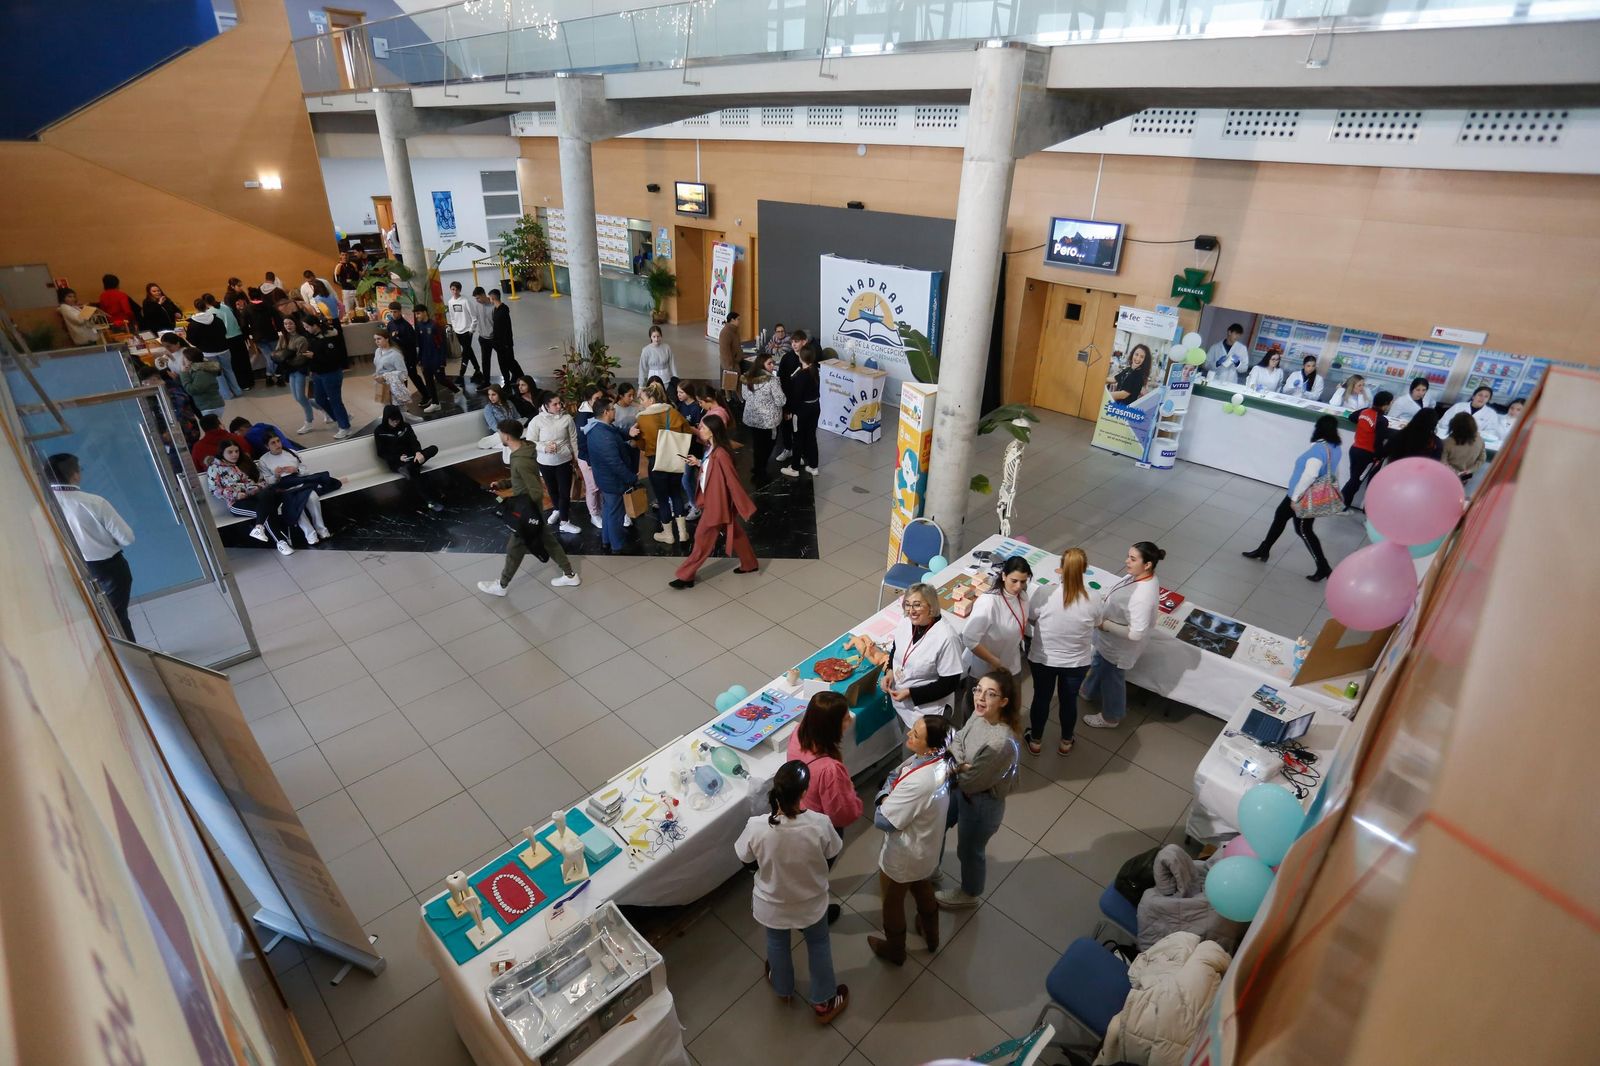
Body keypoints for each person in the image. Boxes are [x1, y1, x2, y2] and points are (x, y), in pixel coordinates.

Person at [733, 761, 849, 1023]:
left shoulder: (757, 826)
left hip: (771, 904)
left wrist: (763, 875)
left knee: (777, 944)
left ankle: (783, 988)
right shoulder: (820, 824)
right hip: (811, 903)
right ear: (805, 791)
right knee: (818, 944)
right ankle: (824, 1001)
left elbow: (745, 860)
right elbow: (832, 855)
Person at [868, 714, 953, 965]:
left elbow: (883, 820)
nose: (908, 735)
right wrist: (891, 784)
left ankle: (895, 949)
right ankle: (932, 935)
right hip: (926, 847)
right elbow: (898, 772)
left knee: (892, 902)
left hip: (906, 853)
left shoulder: (919, 782)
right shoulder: (940, 760)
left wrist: (883, 795)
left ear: (934, 746)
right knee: (921, 884)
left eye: (915, 735)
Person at [938, 669, 1022, 909]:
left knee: (969, 851)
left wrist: (958, 764)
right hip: (959, 789)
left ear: (1004, 702)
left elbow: (970, 782)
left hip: (981, 804)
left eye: (991, 694)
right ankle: (931, 867)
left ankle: (969, 893)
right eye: (978, 690)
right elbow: (957, 738)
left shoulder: (1000, 743)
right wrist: (963, 763)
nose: (981, 698)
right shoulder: (979, 713)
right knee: (939, 824)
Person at [478, 418, 582, 595]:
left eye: (500, 433)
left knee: (514, 549)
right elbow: (521, 479)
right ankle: (570, 575)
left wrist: (524, 513)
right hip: (533, 511)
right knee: (549, 542)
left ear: (506, 436)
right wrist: (503, 484)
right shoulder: (524, 450)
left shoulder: (521, 460)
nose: (499, 436)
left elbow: (535, 489)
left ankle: (502, 586)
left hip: (528, 513)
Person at [785, 691, 863, 924]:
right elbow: (841, 814)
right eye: (845, 717)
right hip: (819, 830)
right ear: (831, 727)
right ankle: (810, 916)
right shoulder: (829, 769)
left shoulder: (798, 733)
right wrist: (854, 799)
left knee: (803, 874)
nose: (850, 718)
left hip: (797, 816)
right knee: (816, 875)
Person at [1242, 417, 1342, 581]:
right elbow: (1334, 470)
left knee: (1303, 530)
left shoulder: (1318, 450)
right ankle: (1264, 549)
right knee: (1280, 516)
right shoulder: (1335, 447)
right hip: (1302, 494)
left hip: (1303, 496)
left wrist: (1295, 499)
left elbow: (1310, 475)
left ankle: (1323, 567)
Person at [48, 453, 136, 639]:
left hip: (69, 570)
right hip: (109, 567)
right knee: (117, 617)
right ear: (75, 475)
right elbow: (127, 537)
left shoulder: (43, 504)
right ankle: (134, 662)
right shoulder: (93, 502)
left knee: (92, 619)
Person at [1080, 542, 1164, 730]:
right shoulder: (1138, 576)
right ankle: (1088, 690)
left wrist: (1105, 625)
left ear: (1147, 564)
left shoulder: (1142, 596)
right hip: (1108, 642)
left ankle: (1111, 717)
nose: (1127, 561)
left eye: (1133, 559)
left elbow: (1137, 633)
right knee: (1099, 662)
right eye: (1128, 556)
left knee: (1112, 679)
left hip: (1118, 648)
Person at [855, 583, 965, 726]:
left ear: (931, 606)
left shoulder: (947, 638)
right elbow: (896, 648)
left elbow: (949, 684)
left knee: (917, 746)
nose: (911, 611)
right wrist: (889, 672)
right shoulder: (906, 622)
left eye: (917, 605)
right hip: (902, 702)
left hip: (928, 711)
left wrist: (911, 693)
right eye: (907, 605)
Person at [671, 414, 757, 588]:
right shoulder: (712, 449)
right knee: (735, 533)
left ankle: (686, 576)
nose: (699, 429)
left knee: (701, 538)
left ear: (712, 432)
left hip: (716, 505)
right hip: (715, 501)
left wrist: (744, 505)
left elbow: (732, 480)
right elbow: (712, 469)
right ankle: (750, 564)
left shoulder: (721, 454)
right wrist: (699, 463)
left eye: (702, 427)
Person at [1026, 547, 1097, 756]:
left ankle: (1036, 740)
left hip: (1043, 659)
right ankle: (1066, 741)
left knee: (1041, 697)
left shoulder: (1045, 593)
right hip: (1076, 663)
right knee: (1069, 700)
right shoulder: (1094, 597)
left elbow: (1031, 616)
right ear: (1085, 570)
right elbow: (1098, 622)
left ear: (1060, 569)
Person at [950, 556, 1032, 727]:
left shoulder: (1023, 597)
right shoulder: (989, 602)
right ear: (1003, 576)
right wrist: (994, 661)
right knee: (977, 716)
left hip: (1011, 666)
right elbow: (970, 638)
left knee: (1009, 712)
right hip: (985, 671)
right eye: (1014, 581)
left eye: (1023, 581)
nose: (1019, 587)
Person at [629, 382, 693, 545]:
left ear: (650, 399)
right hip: (675, 458)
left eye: (642, 399)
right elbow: (687, 431)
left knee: (663, 499)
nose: (641, 402)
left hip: (656, 462)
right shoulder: (672, 412)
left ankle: (668, 534)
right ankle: (683, 532)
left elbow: (641, 444)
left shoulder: (642, 418)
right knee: (677, 494)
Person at [205, 441, 294, 555]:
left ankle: (259, 527)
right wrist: (236, 494)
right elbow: (215, 490)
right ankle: (281, 542)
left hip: (254, 496)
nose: (234, 454)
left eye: (236, 451)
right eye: (230, 452)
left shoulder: (242, 464)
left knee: (267, 495)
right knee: (267, 510)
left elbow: (257, 482)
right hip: (237, 503)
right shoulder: (214, 468)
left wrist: (256, 488)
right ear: (222, 453)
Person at [585, 397, 641, 554]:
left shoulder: (598, 427)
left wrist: (627, 433)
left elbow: (616, 431)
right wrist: (631, 478)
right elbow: (615, 463)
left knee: (609, 511)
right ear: (605, 412)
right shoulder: (603, 436)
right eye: (613, 409)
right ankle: (617, 546)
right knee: (616, 515)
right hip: (612, 481)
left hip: (604, 479)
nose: (615, 410)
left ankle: (606, 541)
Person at [257, 434, 336, 544]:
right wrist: (276, 475)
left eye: (278, 441)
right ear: (267, 446)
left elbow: (306, 471)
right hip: (283, 488)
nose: (277, 445)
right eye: (273, 443)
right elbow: (268, 482)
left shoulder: (291, 452)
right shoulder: (263, 460)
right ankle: (310, 535)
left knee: (312, 497)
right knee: (294, 504)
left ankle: (321, 529)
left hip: (300, 483)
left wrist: (296, 470)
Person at [525, 391, 582, 535]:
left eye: (559, 403)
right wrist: (544, 447)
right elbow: (530, 441)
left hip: (564, 460)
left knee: (564, 491)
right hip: (545, 462)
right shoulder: (537, 421)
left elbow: (573, 439)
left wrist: (577, 458)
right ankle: (557, 509)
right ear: (546, 406)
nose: (559, 406)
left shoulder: (567, 418)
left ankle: (564, 521)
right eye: (555, 404)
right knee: (552, 489)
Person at [373, 405, 443, 511]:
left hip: (413, 457)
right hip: (397, 462)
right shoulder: (379, 431)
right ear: (387, 418)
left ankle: (409, 468)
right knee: (415, 473)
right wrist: (398, 458)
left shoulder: (405, 426)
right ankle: (431, 500)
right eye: (393, 421)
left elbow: (414, 442)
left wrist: (418, 453)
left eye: (397, 420)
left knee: (433, 449)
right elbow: (381, 453)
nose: (396, 423)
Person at [1342, 389, 1393, 509]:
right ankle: (1341, 503)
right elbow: (1378, 441)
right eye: (1390, 403)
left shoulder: (1364, 412)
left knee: (1354, 479)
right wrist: (1379, 456)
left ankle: (1344, 505)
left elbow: (1351, 417)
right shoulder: (1382, 420)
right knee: (1355, 481)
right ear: (1385, 404)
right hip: (1367, 455)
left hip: (1354, 450)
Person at [740, 353, 786, 484]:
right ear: (762, 365)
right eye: (770, 363)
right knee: (768, 445)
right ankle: (761, 470)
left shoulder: (747, 377)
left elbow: (744, 396)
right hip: (768, 421)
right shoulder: (772, 381)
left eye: (773, 363)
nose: (773, 365)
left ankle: (757, 467)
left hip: (752, 418)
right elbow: (780, 401)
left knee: (757, 444)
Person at [305, 317, 353, 438]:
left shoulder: (329, 336)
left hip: (331, 373)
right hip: (317, 373)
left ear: (315, 325)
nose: (306, 329)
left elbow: (333, 358)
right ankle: (342, 417)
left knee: (335, 400)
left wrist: (314, 356)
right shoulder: (311, 337)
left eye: (307, 326)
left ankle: (344, 427)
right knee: (319, 399)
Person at [184, 297, 240, 399]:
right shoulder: (217, 319)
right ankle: (237, 390)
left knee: (217, 374)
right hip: (224, 349)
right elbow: (224, 332)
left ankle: (226, 394)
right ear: (206, 306)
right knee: (229, 370)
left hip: (207, 352)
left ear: (195, 308)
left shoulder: (193, 324)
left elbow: (191, 340)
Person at [779, 346, 822, 478]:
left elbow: (796, 397)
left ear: (801, 358)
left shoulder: (802, 376)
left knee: (797, 438)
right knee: (811, 437)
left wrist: (790, 410)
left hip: (802, 411)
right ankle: (813, 466)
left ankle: (795, 467)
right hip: (815, 408)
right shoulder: (814, 371)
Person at [572, 385, 607, 530]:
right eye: (596, 399)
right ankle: (594, 514)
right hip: (587, 458)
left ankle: (601, 511)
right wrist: (590, 460)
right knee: (592, 487)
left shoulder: (595, 411)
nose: (599, 401)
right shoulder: (582, 417)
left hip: (598, 455)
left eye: (601, 397)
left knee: (600, 486)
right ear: (588, 400)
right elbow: (582, 443)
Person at [384, 302, 429, 406]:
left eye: (395, 312)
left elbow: (411, 343)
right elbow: (389, 339)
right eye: (391, 312)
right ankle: (403, 400)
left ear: (400, 312)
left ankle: (427, 395)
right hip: (396, 357)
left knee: (413, 376)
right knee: (400, 378)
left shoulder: (406, 326)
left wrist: (398, 338)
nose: (393, 314)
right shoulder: (390, 324)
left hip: (409, 356)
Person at [276, 318, 317, 432]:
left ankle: (309, 421)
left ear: (296, 324)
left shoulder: (301, 339)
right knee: (297, 398)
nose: (288, 326)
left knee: (300, 397)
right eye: (285, 323)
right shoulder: (283, 337)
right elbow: (277, 352)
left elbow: (301, 358)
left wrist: (286, 359)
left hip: (299, 370)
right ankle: (325, 409)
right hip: (290, 371)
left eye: (290, 323)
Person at [415, 306, 457, 409]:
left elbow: (442, 344)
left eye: (418, 313)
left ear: (425, 312)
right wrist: (419, 359)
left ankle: (457, 390)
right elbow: (419, 344)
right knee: (428, 381)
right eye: (416, 314)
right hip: (425, 359)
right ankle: (435, 403)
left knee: (441, 379)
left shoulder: (435, 325)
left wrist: (442, 360)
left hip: (436, 358)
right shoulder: (419, 326)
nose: (417, 316)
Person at [445, 280, 485, 386]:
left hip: (467, 331)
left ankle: (461, 375)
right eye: (452, 289)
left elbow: (474, 317)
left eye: (456, 289)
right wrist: (454, 327)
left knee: (465, 353)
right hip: (458, 331)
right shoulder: (450, 302)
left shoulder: (465, 301)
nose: (454, 291)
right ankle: (477, 370)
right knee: (469, 351)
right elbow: (452, 317)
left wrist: (471, 330)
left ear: (460, 290)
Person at [774, 330, 805, 462]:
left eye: (796, 341)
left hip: (802, 400)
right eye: (792, 342)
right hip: (788, 398)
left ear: (804, 342)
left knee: (801, 429)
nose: (794, 344)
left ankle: (800, 453)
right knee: (786, 426)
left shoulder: (808, 357)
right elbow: (781, 378)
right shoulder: (787, 358)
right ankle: (787, 448)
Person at [243, 288, 283, 383]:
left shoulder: (247, 309)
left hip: (258, 337)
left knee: (268, 357)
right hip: (271, 334)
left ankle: (269, 376)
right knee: (275, 355)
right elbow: (277, 318)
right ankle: (278, 375)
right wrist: (278, 328)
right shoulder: (268, 305)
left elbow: (244, 325)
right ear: (260, 295)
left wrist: (248, 335)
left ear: (250, 297)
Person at [178, 351, 227, 419]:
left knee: (214, 428)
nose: (182, 360)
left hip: (210, 406)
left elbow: (192, 390)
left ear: (190, 361)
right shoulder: (197, 370)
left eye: (184, 358)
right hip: (209, 405)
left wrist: (183, 374)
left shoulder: (201, 373)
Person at [489, 289, 523, 384]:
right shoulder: (496, 309)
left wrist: (506, 344)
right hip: (499, 343)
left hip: (505, 344)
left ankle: (520, 376)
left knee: (510, 362)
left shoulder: (502, 311)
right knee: (504, 363)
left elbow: (506, 329)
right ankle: (510, 379)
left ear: (492, 298)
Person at [1442, 411, 1486, 484]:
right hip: (1466, 477)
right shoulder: (1480, 440)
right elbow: (1482, 459)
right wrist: (1469, 471)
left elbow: (1443, 462)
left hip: (1447, 477)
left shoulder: (1447, 442)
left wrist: (1455, 472)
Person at [372, 330, 412, 407]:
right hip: (382, 385)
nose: (376, 341)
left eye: (379, 339)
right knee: (387, 408)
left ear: (387, 339)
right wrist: (376, 375)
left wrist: (385, 376)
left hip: (393, 387)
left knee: (397, 410)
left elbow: (404, 373)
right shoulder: (377, 351)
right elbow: (379, 366)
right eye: (375, 339)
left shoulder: (395, 354)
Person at [230, 416, 303, 458]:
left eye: (236, 434)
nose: (238, 437)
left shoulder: (249, 436)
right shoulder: (266, 426)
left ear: (241, 429)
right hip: (297, 452)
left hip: (286, 457)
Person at [471, 286, 498, 382]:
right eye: (475, 298)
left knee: (504, 358)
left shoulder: (493, 305)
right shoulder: (477, 305)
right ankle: (486, 381)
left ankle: (516, 376)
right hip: (483, 338)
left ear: (483, 295)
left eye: (478, 298)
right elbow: (476, 319)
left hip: (494, 338)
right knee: (485, 362)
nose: (477, 300)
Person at [717, 310, 743, 401]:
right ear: (732, 320)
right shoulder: (726, 332)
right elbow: (725, 351)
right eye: (738, 319)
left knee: (735, 385)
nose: (740, 321)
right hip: (730, 365)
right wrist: (729, 366)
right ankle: (735, 402)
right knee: (732, 385)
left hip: (735, 363)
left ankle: (738, 401)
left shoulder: (734, 331)